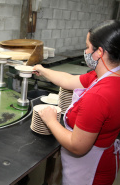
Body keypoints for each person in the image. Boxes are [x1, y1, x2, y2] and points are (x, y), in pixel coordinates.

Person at [33, 20, 120, 185]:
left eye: (88, 47)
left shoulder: (99, 95)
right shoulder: (107, 77)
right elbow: (69, 80)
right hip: (105, 160)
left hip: (90, 174)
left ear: (99, 52)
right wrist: (43, 70)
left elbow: (77, 146)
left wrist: (51, 121)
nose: (85, 51)